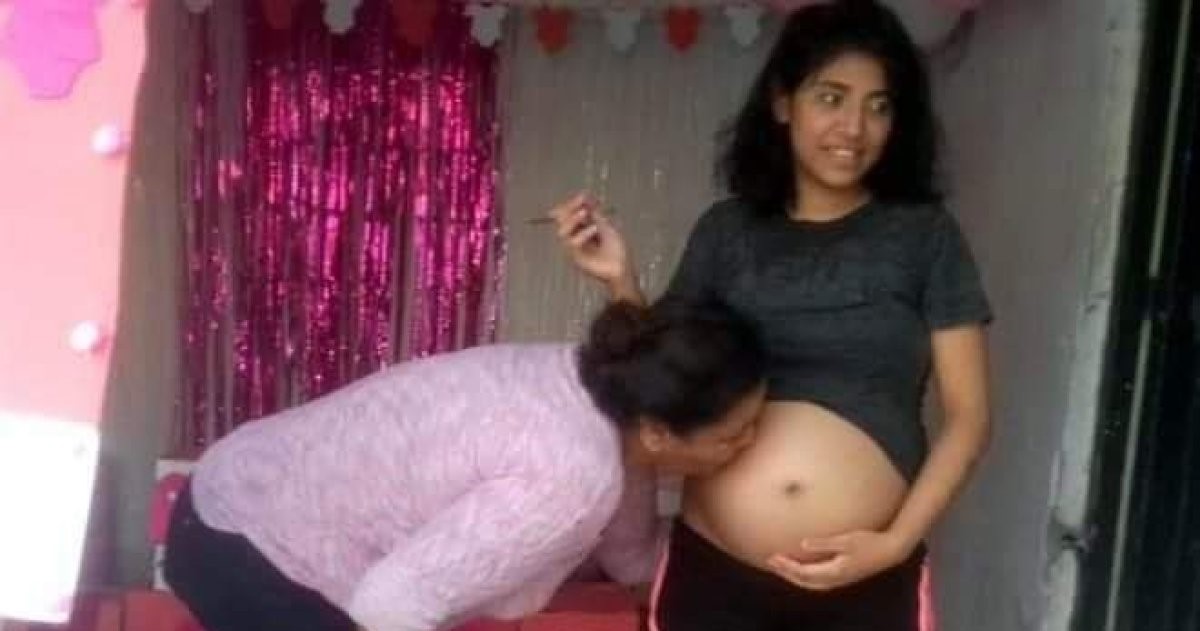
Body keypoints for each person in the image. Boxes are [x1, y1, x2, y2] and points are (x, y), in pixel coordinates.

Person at [551, 1, 992, 629]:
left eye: (879, 106)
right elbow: (669, 376)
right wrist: (620, 278)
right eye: (831, 97)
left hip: (865, 581)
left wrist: (895, 544)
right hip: (716, 577)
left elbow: (969, 418)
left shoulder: (926, 236)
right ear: (784, 102)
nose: (854, 127)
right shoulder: (727, 230)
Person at [162, 301, 767, 631]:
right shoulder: (573, 474)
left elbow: (633, 554)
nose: (748, 446)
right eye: (734, 435)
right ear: (660, 432)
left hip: (234, 488)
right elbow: (388, 608)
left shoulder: (602, 386)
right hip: (247, 548)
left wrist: (758, 555)